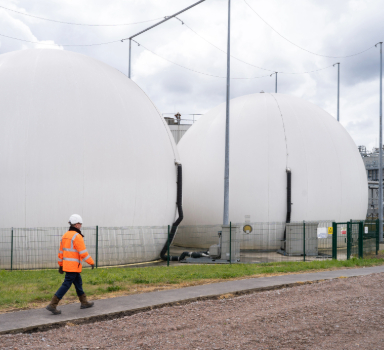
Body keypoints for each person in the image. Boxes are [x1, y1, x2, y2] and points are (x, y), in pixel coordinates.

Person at [46, 214, 95, 315]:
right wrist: (91, 262)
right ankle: (52, 304)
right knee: (66, 284)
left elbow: (61, 252)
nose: (80, 226)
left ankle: (84, 302)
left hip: (68, 266)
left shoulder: (64, 236)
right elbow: (83, 252)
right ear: (76, 224)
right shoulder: (77, 236)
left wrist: (61, 264)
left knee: (78, 283)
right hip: (74, 266)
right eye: (80, 224)